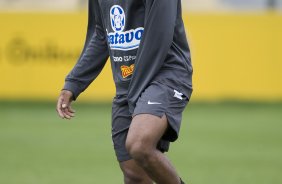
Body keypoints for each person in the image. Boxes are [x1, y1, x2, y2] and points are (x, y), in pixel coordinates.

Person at [56, 0, 193, 183]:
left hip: (165, 75)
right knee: (134, 175)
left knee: (139, 144)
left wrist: (135, 91)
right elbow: (101, 35)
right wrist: (73, 83)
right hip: (127, 85)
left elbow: (158, 36)